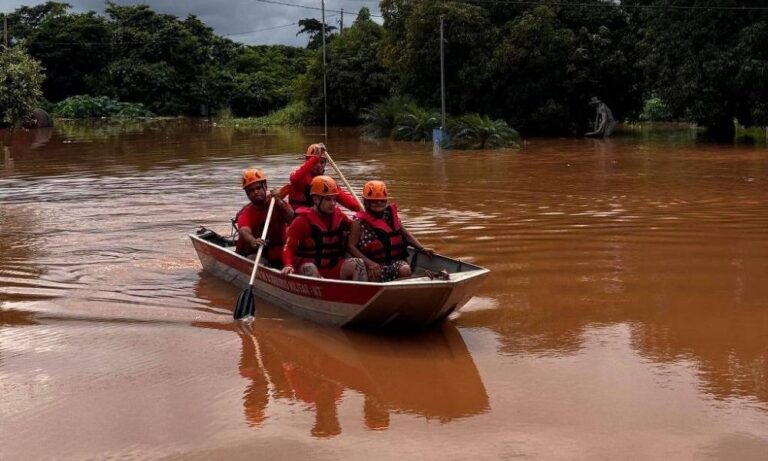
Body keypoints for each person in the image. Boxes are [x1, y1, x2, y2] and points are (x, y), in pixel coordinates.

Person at [281, 175, 367, 280]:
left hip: (333, 267)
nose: (333, 203)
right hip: (309, 268)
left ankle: (356, 293)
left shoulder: (339, 216)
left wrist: (363, 222)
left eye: (334, 199)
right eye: (328, 199)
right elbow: (288, 247)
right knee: (310, 268)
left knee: (358, 264)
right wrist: (288, 265)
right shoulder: (302, 220)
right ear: (316, 199)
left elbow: (355, 228)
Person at [347, 180, 434, 282]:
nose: (379, 203)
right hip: (372, 265)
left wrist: (421, 248)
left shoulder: (391, 217)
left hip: (395, 262)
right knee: (374, 275)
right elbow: (351, 246)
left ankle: (403, 290)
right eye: (374, 201)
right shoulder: (358, 222)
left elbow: (406, 235)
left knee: (405, 269)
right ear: (366, 202)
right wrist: (369, 263)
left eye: (382, 201)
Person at [235, 168, 294, 268]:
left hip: (281, 253)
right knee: (252, 260)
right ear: (247, 194)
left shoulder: (277, 203)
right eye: (251, 190)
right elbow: (244, 231)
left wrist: (279, 201)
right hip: (259, 255)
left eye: (258, 188)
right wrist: (253, 240)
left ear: (265, 187)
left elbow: (293, 219)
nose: (256, 192)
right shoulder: (246, 212)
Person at [287, 143, 362, 212]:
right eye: (316, 162)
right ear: (308, 161)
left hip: (319, 216)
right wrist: (315, 157)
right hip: (300, 217)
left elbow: (346, 200)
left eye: (322, 162)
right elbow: (295, 179)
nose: (319, 165)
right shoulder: (300, 178)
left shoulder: (328, 182)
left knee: (338, 214)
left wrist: (361, 208)